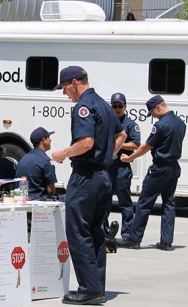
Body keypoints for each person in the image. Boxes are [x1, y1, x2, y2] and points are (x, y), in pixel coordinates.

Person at [52, 66, 126, 305]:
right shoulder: (104, 104)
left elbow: (85, 143)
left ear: (75, 83)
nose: (65, 93)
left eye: (64, 88)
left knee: (77, 231)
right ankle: (97, 287)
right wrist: (108, 156)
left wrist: (64, 153)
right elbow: (121, 136)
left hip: (85, 177)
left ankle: (88, 289)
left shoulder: (83, 107)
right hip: (104, 177)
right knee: (96, 232)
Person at [117, 95, 186, 251]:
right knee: (169, 204)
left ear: (158, 107)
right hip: (174, 167)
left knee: (144, 203)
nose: (153, 116)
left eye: (152, 112)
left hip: (159, 169)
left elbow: (145, 147)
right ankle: (166, 242)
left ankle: (134, 239)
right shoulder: (181, 123)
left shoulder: (161, 125)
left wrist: (129, 158)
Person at [104, 93, 141, 240]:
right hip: (107, 168)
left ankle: (126, 233)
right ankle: (105, 232)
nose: (117, 108)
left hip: (121, 168)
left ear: (125, 107)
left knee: (125, 202)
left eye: (120, 106)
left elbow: (136, 144)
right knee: (104, 201)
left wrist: (117, 144)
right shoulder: (106, 123)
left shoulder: (131, 125)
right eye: (114, 106)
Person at [15, 127, 57, 200]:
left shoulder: (23, 158)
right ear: (43, 140)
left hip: (20, 199)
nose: (51, 140)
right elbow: (51, 191)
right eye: (49, 138)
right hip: (37, 202)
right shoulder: (47, 161)